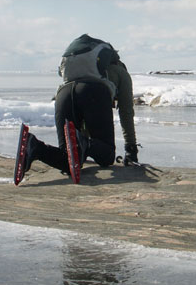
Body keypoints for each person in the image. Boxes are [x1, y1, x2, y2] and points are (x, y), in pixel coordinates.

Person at [18, 34, 139, 180]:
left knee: (68, 158)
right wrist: (131, 149)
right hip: (93, 93)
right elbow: (126, 112)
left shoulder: (79, 70)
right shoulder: (121, 73)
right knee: (107, 156)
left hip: (63, 94)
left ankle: (35, 147)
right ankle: (85, 143)